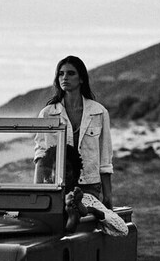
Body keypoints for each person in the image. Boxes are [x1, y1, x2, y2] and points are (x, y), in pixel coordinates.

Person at [34, 55, 114, 207]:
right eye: (61, 74)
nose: (65, 77)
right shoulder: (48, 113)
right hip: (57, 183)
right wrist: (38, 190)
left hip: (89, 184)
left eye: (71, 73)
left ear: (81, 78)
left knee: (85, 219)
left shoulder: (99, 112)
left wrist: (108, 195)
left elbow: (105, 158)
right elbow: (41, 154)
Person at [62, 147, 127, 236]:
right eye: (55, 169)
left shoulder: (85, 198)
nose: (61, 174)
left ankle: (72, 219)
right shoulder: (46, 197)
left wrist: (91, 210)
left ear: (76, 175)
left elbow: (123, 229)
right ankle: (72, 219)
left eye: (66, 169)